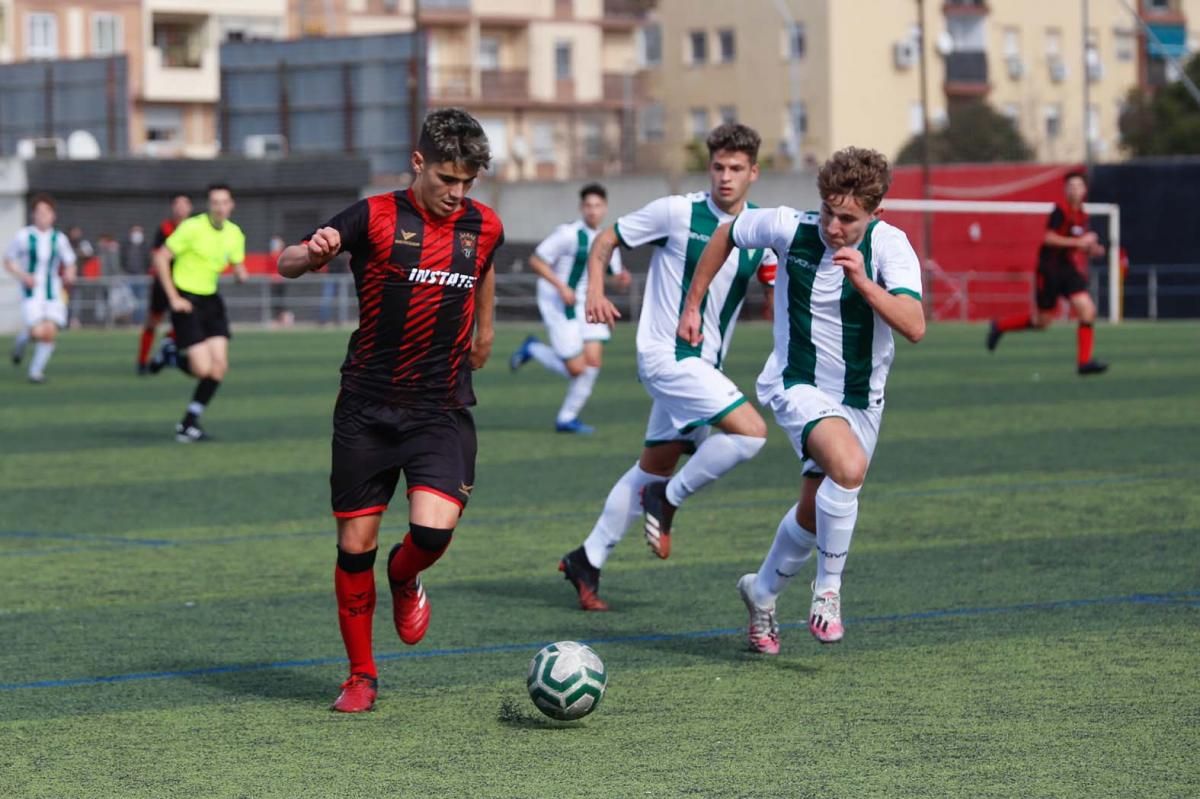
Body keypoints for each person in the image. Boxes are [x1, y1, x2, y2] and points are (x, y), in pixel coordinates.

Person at [276, 108, 503, 713]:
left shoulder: (485, 225)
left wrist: (484, 332)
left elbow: (483, 273)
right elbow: (286, 263)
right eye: (446, 180)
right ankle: (361, 676)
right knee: (356, 544)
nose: (457, 195)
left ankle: (405, 578)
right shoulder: (372, 216)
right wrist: (315, 252)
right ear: (419, 162)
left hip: (440, 407)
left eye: (467, 184)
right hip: (367, 408)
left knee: (431, 532)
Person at [679, 146, 925, 653]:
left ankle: (761, 592)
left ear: (876, 213)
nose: (835, 227)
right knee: (849, 467)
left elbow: (914, 325)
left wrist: (863, 281)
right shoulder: (790, 227)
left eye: (849, 219)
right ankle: (828, 593)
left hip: (861, 398)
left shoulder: (892, 248)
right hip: (796, 383)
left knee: (814, 514)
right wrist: (694, 302)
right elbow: (728, 232)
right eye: (830, 213)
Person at [559, 123, 776, 611]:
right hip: (666, 356)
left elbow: (773, 288)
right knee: (749, 434)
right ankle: (668, 501)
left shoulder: (760, 228)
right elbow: (606, 240)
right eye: (718, 166)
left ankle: (586, 559)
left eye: (736, 169)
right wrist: (594, 288)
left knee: (651, 466)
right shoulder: (678, 212)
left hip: (704, 366)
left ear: (753, 173)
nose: (725, 177)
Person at [509, 183, 630, 434]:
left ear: (605, 208)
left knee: (593, 363)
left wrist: (620, 280)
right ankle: (533, 348)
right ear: (581, 208)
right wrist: (562, 286)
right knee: (576, 369)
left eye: (597, 206)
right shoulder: (568, 234)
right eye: (588, 205)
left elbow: (610, 275)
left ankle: (566, 418)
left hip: (589, 305)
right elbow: (536, 261)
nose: (592, 211)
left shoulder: (608, 239)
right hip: (559, 303)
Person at [986, 171, 1108, 375]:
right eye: (1071, 186)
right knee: (1042, 322)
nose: (1075, 190)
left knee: (1087, 309)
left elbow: (1073, 242)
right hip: (1049, 270)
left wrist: (1092, 249)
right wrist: (1080, 242)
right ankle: (999, 326)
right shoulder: (1059, 211)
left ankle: (1084, 363)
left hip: (1067, 268)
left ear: (1085, 190)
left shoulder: (1082, 215)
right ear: (1065, 190)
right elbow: (1049, 238)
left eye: (1078, 186)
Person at [151, 184, 247, 442]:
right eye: (214, 202)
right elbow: (161, 258)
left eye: (224, 202)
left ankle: (188, 423)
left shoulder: (235, 233)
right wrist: (173, 298)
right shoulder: (192, 227)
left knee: (219, 368)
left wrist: (240, 273)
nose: (219, 207)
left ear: (231, 205)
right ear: (208, 204)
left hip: (212, 302)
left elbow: (237, 264)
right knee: (202, 368)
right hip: (187, 301)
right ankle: (170, 355)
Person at [4, 194, 77, 383]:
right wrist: (23, 276)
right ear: (33, 215)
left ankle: (35, 372)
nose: (43, 216)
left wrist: (70, 273)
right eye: (39, 212)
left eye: (47, 212)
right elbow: (8, 261)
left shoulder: (59, 238)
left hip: (53, 291)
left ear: (53, 215)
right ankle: (21, 341)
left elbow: (70, 261)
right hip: (32, 292)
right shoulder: (24, 236)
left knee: (49, 332)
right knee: (37, 332)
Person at [138, 192, 192, 374]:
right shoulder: (165, 228)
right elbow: (156, 255)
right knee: (153, 321)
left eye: (184, 204)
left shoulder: (195, 229)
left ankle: (166, 352)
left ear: (190, 208)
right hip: (163, 284)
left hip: (186, 283)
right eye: (177, 204)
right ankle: (142, 361)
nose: (181, 208)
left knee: (185, 322)